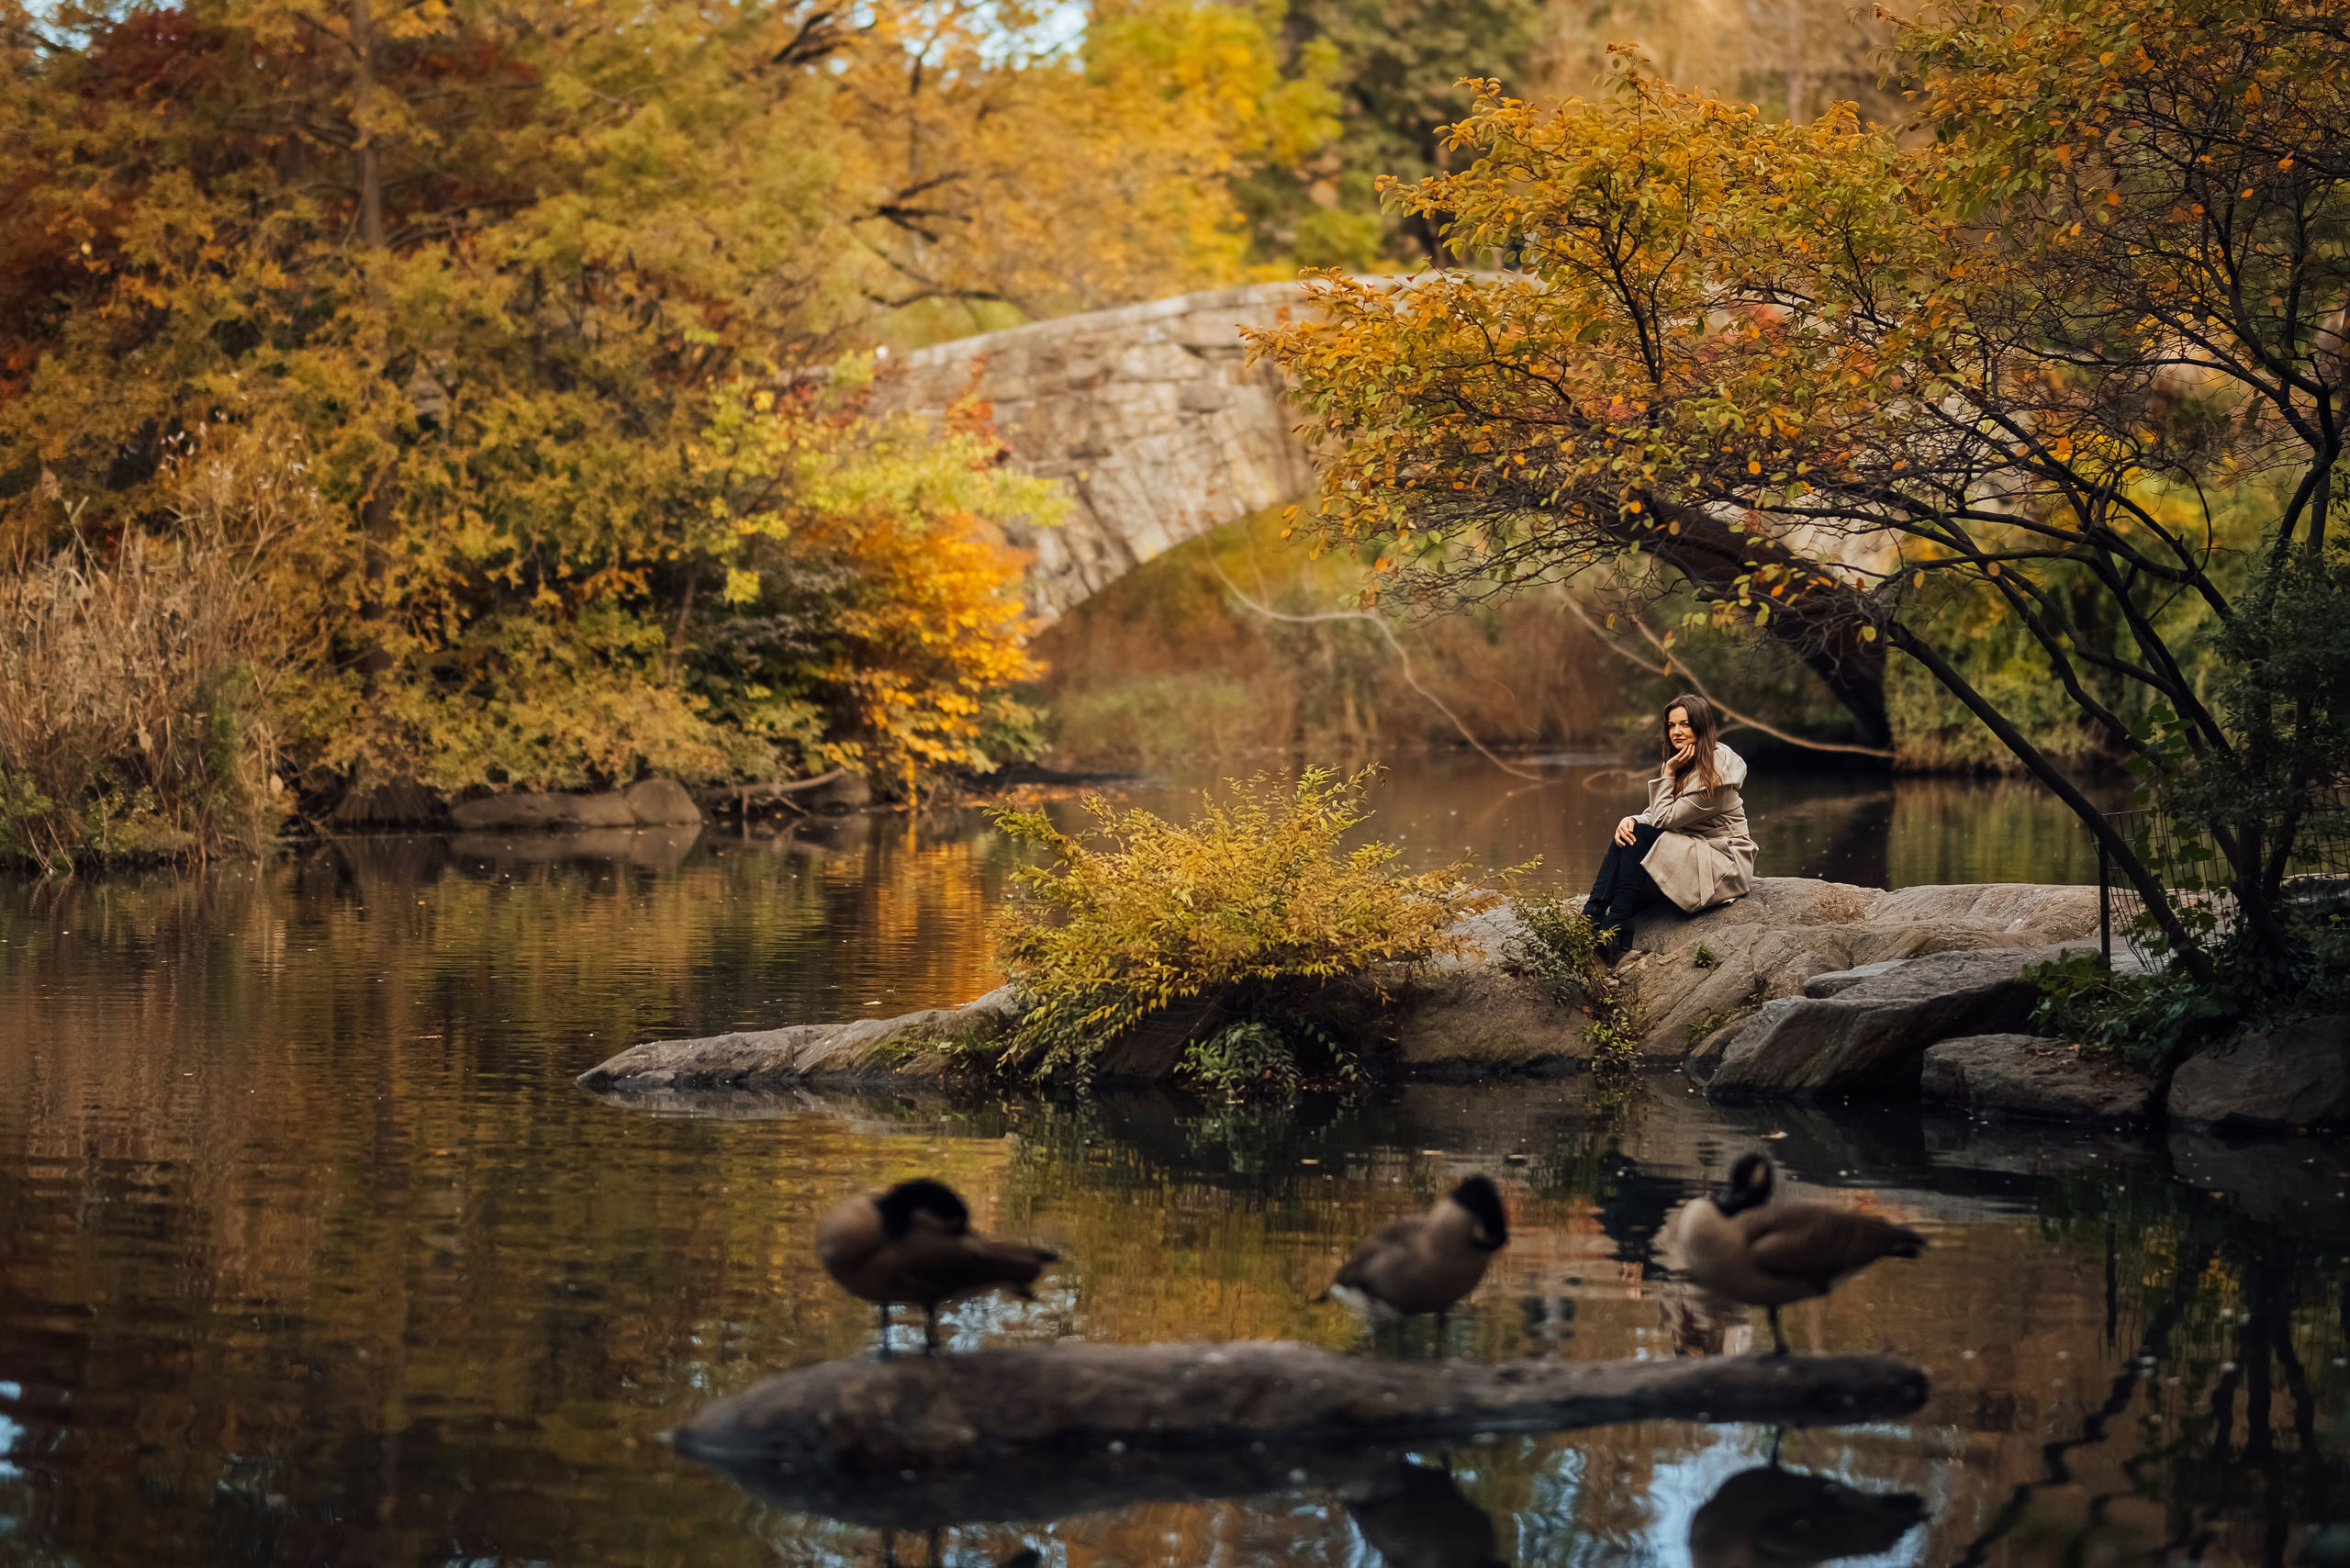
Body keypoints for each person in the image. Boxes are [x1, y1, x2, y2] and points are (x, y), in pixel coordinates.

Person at [1583, 693, 1756, 966]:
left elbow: (1664, 818)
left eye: (1685, 724)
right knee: (1629, 832)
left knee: (1639, 834)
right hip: (1697, 849)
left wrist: (1668, 773)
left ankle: (1616, 927)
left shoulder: (1717, 778)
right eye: (1672, 725)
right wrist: (1631, 818)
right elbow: (1662, 815)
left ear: (1701, 727)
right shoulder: (1690, 763)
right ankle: (1591, 919)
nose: (1676, 732)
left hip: (1723, 864)